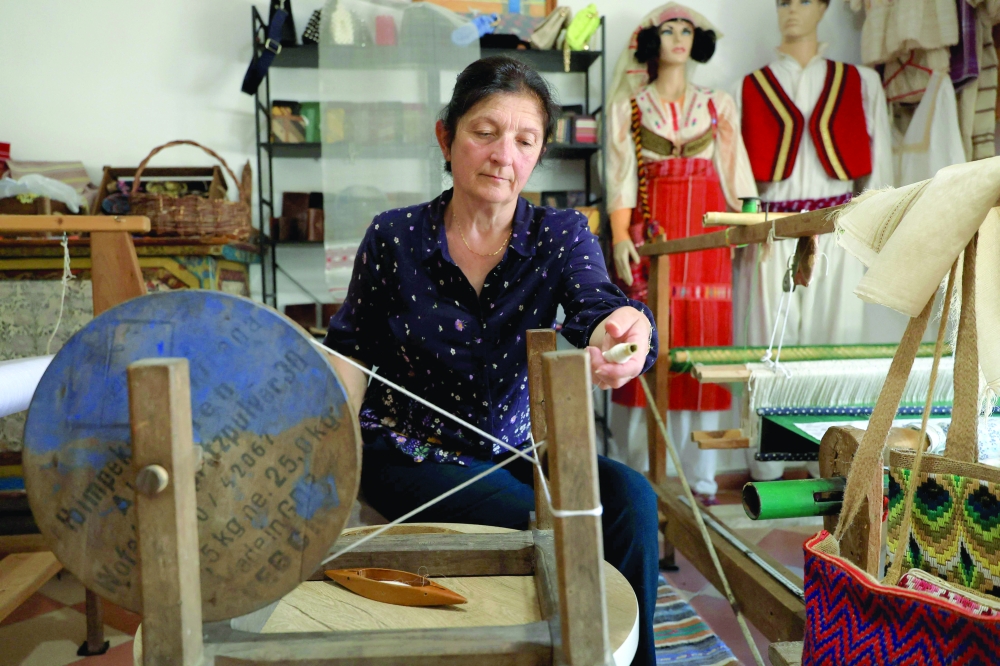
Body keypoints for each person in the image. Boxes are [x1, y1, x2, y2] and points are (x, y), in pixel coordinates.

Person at [323, 55, 661, 666]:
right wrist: (328, 471)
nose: (504, 154)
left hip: (515, 451)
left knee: (632, 500)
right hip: (408, 453)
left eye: (525, 139)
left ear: (539, 154)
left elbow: (600, 309)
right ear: (446, 135)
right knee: (551, 525)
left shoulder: (560, 234)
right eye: (484, 132)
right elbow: (350, 350)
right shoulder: (394, 236)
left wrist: (625, 335)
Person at [733, 0, 892, 480]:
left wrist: (875, 230)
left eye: (802, 0)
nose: (791, 10)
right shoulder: (752, 84)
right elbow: (740, 166)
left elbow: (880, 160)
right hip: (774, 227)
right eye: (782, 2)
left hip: (839, 228)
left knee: (834, 344)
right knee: (769, 347)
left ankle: (831, 457)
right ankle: (766, 463)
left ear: (824, 7)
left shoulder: (860, 81)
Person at [605, 3, 757, 501]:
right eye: (668, 29)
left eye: (687, 29)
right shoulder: (630, 107)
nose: (677, 37)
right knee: (645, 344)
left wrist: (750, 229)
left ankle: (702, 475)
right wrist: (622, 235)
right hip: (654, 239)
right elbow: (622, 176)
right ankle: (639, 472)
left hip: (710, 241)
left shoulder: (718, 105)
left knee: (706, 349)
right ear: (652, 40)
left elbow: (736, 175)